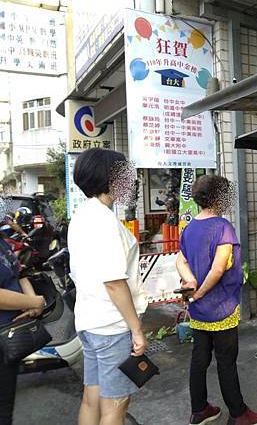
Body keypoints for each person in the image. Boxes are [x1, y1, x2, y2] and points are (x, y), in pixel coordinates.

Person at [176, 174, 257, 425]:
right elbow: (217, 269)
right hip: (221, 307)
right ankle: (238, 414)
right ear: (218, 197)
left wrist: (190, 284)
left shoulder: (190, 227)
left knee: (199, 358)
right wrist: (201, 291)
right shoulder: (223, 227)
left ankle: (199, 409)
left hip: (198, 311)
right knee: (226, 362)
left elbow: (180, 260)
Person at [68, 148, 148, 425]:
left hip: (89, 321)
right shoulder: (105, 222)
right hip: (112, 326)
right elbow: (114, 282)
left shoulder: (82, 216)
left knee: (93, 395)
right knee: (116, 405)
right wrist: (136, 329)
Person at [0, 237, 46, 425]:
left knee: (4, 410)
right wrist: (34, 302)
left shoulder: (2, 241)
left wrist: (33, 301)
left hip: (9, 337)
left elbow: (19, 272)